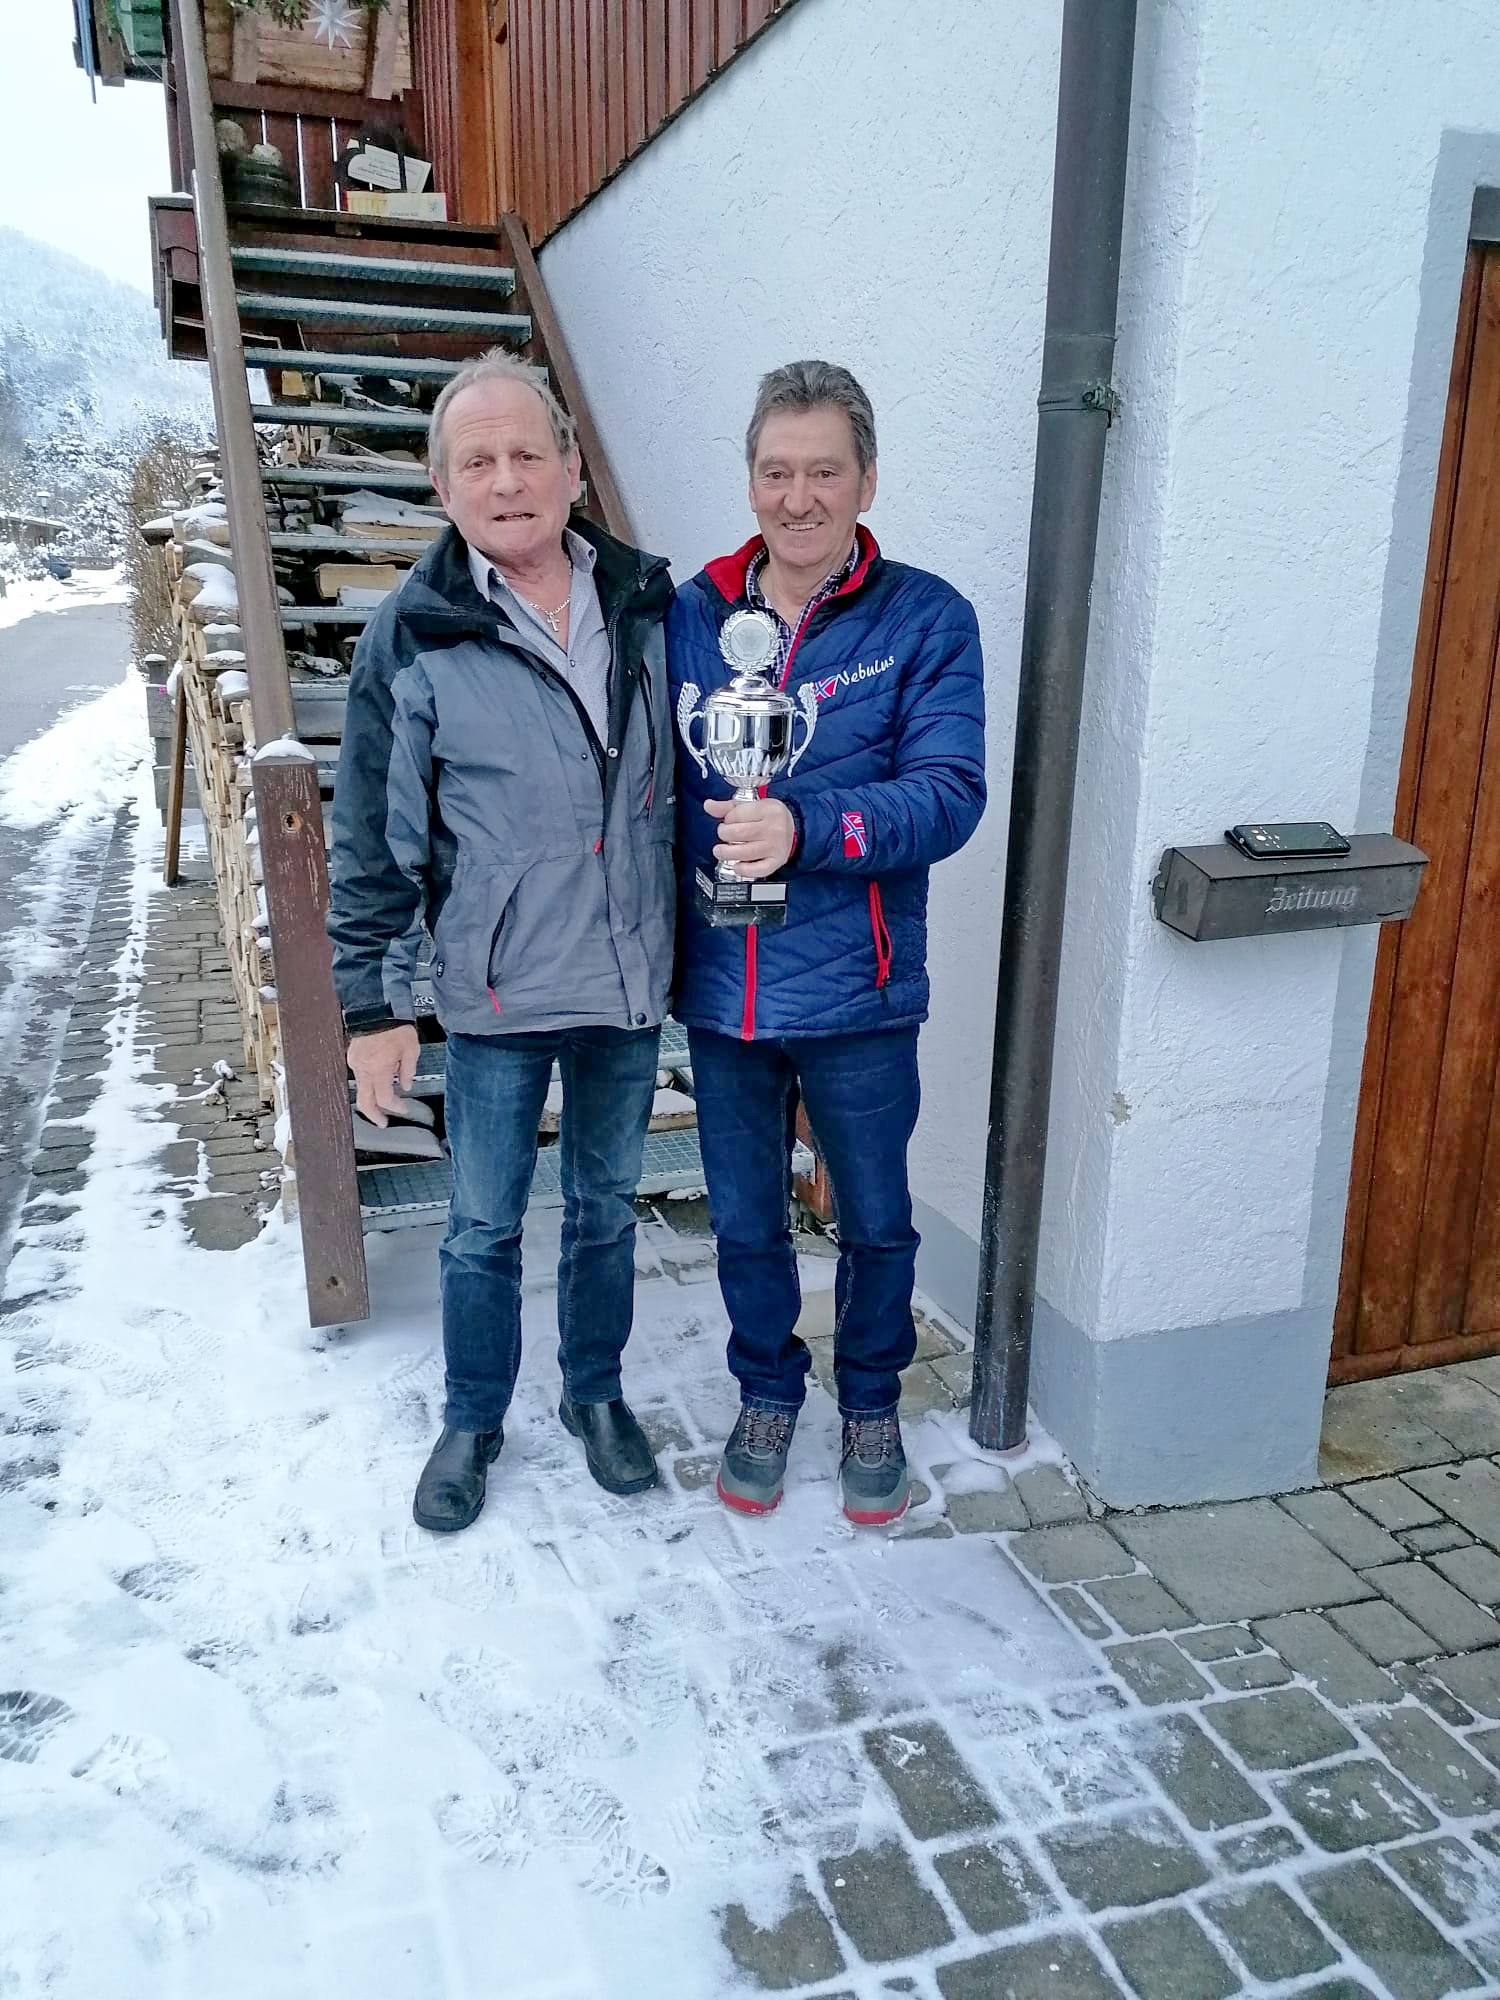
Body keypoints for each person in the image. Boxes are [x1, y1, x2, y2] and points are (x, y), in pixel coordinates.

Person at [327, 349, 676, 1533]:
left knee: (606, 1206)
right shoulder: (414, 633)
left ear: (572, 469)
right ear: (443, 489)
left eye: (529, 452)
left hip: (625, 978)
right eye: (477, 460)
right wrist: (374, 1009)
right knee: (480, 1224)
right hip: (496, 990)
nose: (507, 479)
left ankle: (594, 1392)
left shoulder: (648, 605)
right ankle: (473, 1416)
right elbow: (372, 836)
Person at [667, 360, 986, 1526]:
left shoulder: (926, 616)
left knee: (878, 1220)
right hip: (724, 984)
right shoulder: (692, 613)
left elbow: (949, 794)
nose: (797, 498)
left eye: (824, 472)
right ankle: (766, 1389)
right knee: (744, 1219)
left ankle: (870, 1400)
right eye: (775, 471)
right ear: (750, 477)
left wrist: (805, 825)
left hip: (861, 987)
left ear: (867, 480)